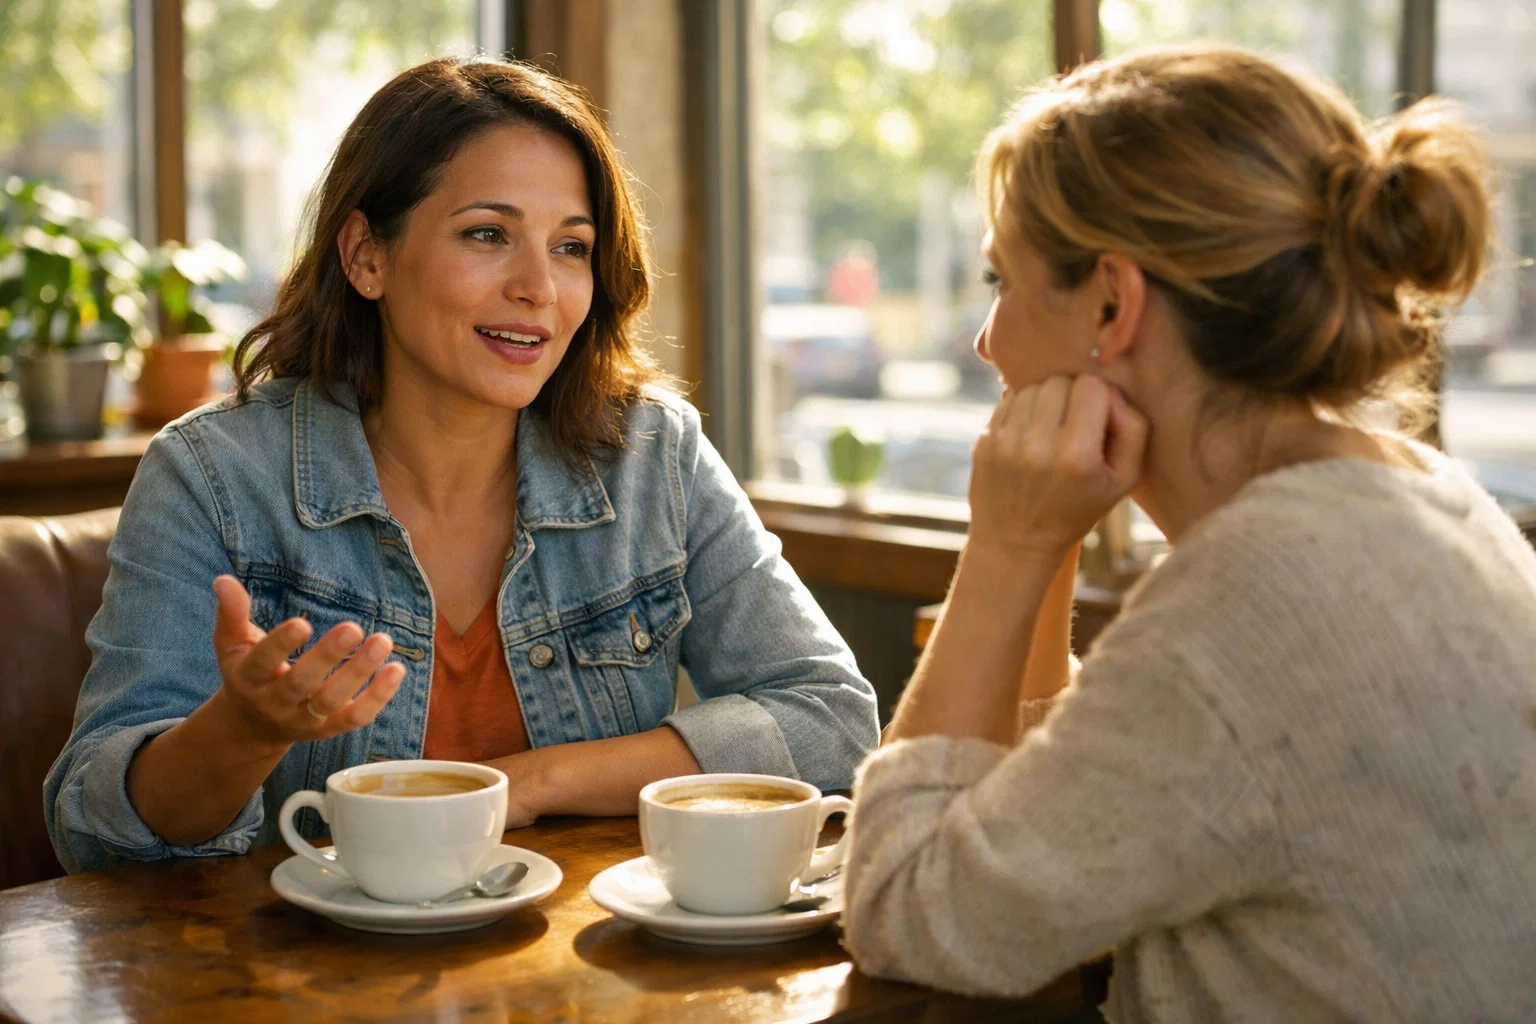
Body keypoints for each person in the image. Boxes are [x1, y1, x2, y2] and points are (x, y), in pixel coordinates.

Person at [46, 57, 878, 874]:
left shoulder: (653, 456)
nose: (539, 288)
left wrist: (534, 782)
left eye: (571, 247)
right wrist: (245, 730)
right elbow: (96, 831)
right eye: (488, 234)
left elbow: (832, 721)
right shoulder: (211, 477)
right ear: (367, 255)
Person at [842, 43, 1536, 1021]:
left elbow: (905, 910)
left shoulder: (1261, 597)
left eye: (1003, 281)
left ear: (1114, 304)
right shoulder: (1420, 495)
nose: (987, 341)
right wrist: (1044, 546)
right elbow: (1070, 825)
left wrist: (1000, 549)